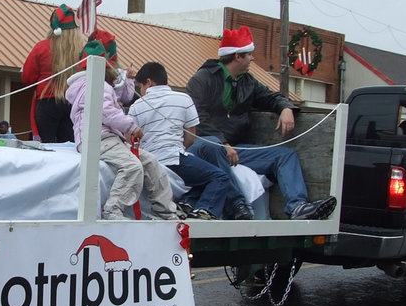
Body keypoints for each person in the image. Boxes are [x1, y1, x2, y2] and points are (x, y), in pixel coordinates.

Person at [185, 26, 336, 221]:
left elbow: (271, 97)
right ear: (237, 56)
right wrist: (222, 143)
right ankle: (237, 205)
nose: (252, 58)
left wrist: (286, 108)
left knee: (285, 155)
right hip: (206, 147)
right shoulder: (202, 79)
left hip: (235, 149)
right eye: (249, 54)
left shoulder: (247, 81)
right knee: (213, 147)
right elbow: (198, 117)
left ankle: (298, 207)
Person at [64, 38, 181, 221]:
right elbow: (106, 111)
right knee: (132, 167)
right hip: (99, 138)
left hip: (108, 137)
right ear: (105, 64)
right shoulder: (97, 85)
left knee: (150, 161)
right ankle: (113, 208)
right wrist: (131, 126)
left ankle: (165, 210)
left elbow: (116, 100)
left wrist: (127, 80)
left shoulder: (90, 86)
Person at [130, 61, 236, 220]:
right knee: (219, 177)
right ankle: (204, 210)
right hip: (174, 159)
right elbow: (190, 138)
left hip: (149, 161)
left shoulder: (136, 107)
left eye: (141, 86)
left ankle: (188, 203)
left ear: (149, 82)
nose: (141, 91)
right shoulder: (184, 99)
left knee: (201, 176)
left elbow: (132, 139)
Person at [21, 4, 86, 142]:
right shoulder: (82, 51)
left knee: (44, 148)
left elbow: (27, 78)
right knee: (70, 148)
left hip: (47, 102)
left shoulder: (42, 47)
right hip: (72, 102)